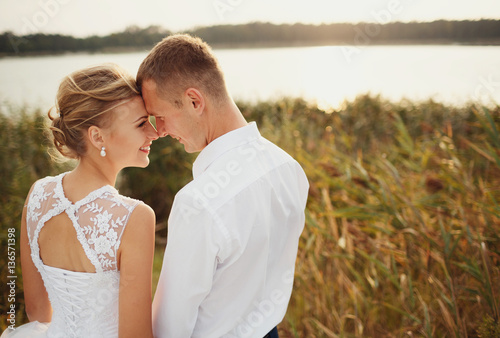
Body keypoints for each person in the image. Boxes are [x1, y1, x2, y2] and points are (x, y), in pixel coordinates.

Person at [138, 34, 309, 338]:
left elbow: (169, 329)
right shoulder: (289, 168)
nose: (160, 131)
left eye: (161, 117)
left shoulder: (198, 202)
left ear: (194, 101)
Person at [1, 64, 158, 338]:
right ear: (97, 136)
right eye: (141, 123)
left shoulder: (38, 195)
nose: (154, 133)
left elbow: (38, 313)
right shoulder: (134, 217)